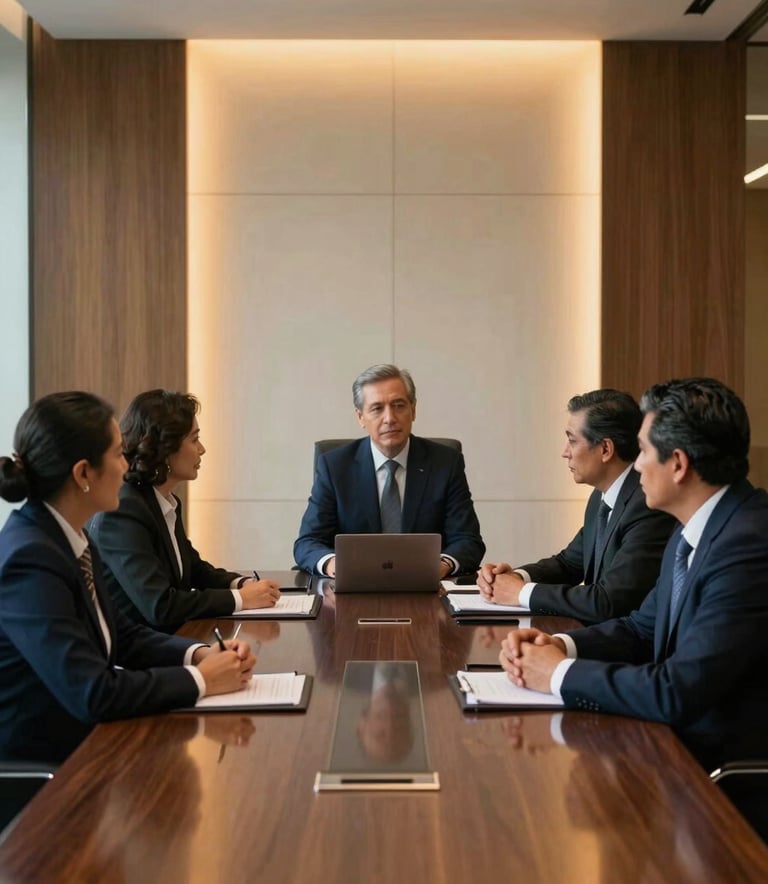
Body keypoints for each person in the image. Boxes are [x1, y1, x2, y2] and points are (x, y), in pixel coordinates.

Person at [500, 378, 768, 769]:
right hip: (671, 746)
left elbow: (677, 691)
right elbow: (641, 628)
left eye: (643, 450)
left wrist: (559, 674)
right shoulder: (691, 529)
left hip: (718, 778)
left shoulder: (748, 546)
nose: (636, 463)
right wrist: (560, 645)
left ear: (678, 463)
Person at [0, 392, 256, 763]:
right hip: (48, 777)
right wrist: (202, 680)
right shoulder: (30, 559)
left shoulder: (68, 536)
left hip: (89, 747)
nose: (128, 465)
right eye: (119, 453)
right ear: (83, 473)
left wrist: (201, 654)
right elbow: (93, 692)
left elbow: (123, 636)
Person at [89, 390, 280, 633]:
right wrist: (241, 599)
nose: (202, 449)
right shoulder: (123, 511)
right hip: (139, 656)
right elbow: (160, 605)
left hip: (168, 641)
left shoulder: (161, 499)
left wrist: (241, 583)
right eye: (194, 439)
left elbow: (194, 569)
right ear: (166, 449)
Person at [478, 389, 676, 624]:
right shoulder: (600, 497)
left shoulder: (647, 504)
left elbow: (609, 601)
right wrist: (514, 577)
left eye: (572, 441)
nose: (565, 452)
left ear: (605, 449)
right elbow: (569, 563)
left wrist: (520, 593)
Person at [293, 363, 485, 577]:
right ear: (360, 417)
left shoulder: (445, 463)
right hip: (353, 590)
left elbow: (468, 540)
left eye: (399, 405)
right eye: (377, 408)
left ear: (413, 410)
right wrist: (333, 565)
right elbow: (308, 542)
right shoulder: (335, 466)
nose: (390, 418)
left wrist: (441, 565)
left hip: (426, 590)